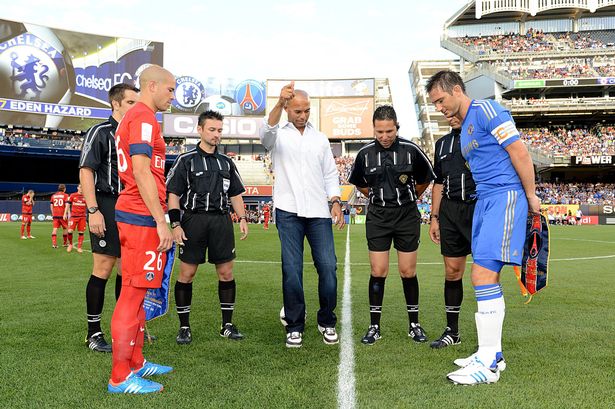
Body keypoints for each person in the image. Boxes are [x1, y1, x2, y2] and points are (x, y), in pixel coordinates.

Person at [427, 70, 540, 385]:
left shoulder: (489, 110)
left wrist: (530, 196)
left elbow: (519, 152)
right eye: (435, 103)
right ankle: (491, 354)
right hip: (485, 202)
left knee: (481, 274)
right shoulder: (464, 128)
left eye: (441, 100)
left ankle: (487, 363)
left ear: (457, 90)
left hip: (505, 197)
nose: (439, 107)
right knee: (484, 276)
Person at [259, 82, 344, 348]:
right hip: (288, 211)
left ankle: (326, 320)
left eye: (306, 110)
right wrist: (276, 103)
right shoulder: (278, 135)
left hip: (319, 211)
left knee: (328, 267)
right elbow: (265, 134)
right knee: (292, 269)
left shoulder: (319, 138)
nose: (303, 115)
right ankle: (295, 325)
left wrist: (335, 200)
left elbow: (330, 174)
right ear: (287, 109)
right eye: (297, 110)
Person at [107, 65, 175, 394]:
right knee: (132, 296)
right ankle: (120, 376)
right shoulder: (144, 117)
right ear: (152, 86)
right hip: (140, 215)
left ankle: (135, 362)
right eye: (170, 89)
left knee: (139, 293)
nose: (172, 96)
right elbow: (141, 169)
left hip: (136, 212)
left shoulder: (134, 119)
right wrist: (161, 219)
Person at [348, 105, 435, 345]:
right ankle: (374, 326)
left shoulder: (411, 150)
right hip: (378, 216)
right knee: (378, 271)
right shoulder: (365, 154)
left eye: (389, 131)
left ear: (397, 127)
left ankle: (414, 325)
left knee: (408, 271)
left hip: (406, 215)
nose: (385, 136)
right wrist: (378, 197)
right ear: (374, 130)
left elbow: (426, 179)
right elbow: (360, 184)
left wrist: (409, 197)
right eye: (379, 132)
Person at [166, 110, 249, 345]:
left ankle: (227, 325)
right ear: (200, 130)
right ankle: (184, 327)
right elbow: (173, 194)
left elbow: (235, 194)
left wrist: (242, 218)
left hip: (221, 221)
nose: (216, 135)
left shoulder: (227, 162)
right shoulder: (186, 160)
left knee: (226, 273)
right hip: (194, 221)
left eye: (219, 130)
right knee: (187, 274)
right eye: (212, 130)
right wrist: (176, 224)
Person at [79, 83, 139, 352]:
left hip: (131, 206)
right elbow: (86, 170)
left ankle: (122, 328)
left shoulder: (134, 134)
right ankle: (93, 332)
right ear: (116, 104)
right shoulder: (101, 131)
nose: (134, 108)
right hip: (106, 203)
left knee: (128, 270)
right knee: (103, 267)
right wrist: (93, 210)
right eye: (130, 103)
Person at [428, 115, 476, 349]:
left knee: (486, 273)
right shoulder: (441, 144)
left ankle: (488, 336)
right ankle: (452, 332)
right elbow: (438, 182)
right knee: (452, 272)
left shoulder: (480, 136)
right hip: (449, 212)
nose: (453, 117)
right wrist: (434, 217)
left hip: (479, 209)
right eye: (448, 114)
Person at [65, 184, 87, 253]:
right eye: (80, 187)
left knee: (81, 232)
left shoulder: (86, 196)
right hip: (74, 216)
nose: (81, 189)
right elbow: (68, 205)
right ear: (77, 188)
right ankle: (70, 244)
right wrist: (65, 213)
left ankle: (79, 247)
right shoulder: (73, 195)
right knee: (70, 231)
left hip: (82, 217)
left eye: (82, 187)